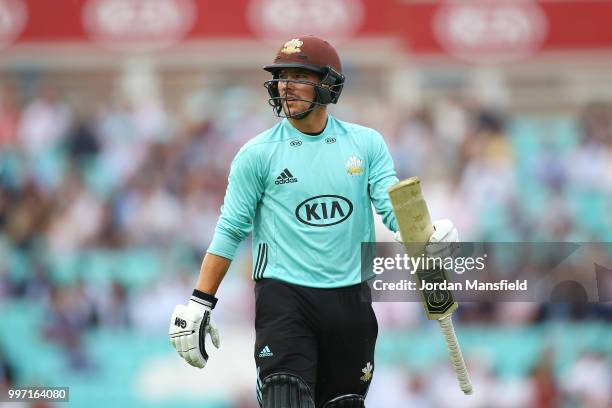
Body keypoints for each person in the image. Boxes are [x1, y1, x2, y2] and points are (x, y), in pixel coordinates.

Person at [169, 35, 458, 408]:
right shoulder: (256, 154)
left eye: (298, 76)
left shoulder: (366, 144)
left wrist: (426, 236)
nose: (286, 87)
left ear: (328, 84)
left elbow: (393, 209)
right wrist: (200, 302)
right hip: (284, 296)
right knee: (284, 397)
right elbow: (230, 230)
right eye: (282, 77)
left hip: (351, 298)